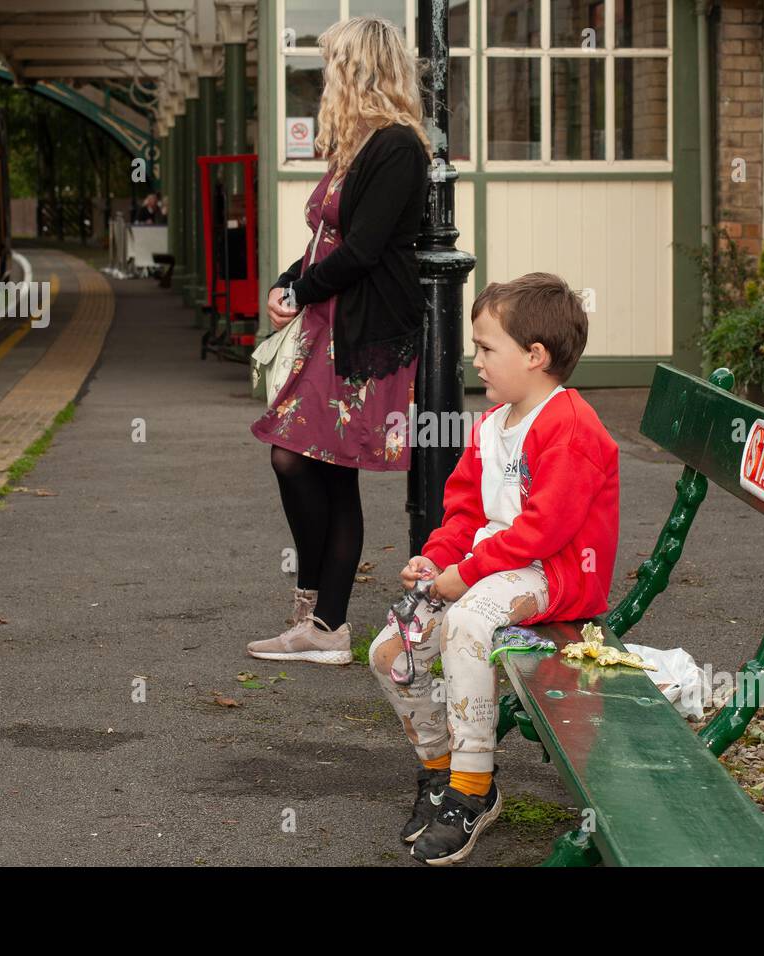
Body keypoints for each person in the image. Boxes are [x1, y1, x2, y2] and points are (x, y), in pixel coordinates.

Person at [367, 272, 620, 865]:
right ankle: (438, 772)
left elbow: (545, 530)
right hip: (496, 567)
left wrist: (468, 574)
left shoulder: (571, 428)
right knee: (391, 649)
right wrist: (438, 558)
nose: (474, 359)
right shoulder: (490, 426)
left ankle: (473, 789)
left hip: (553, 574)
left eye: (486, 348)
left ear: (535, 356)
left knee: (466, 624)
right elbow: (464, 512)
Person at [247, 16, 432, 665]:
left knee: (303, 462)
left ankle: (324, 623)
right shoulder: (358, 147)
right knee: (318, 469)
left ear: (361, 72)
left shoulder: (400, 148)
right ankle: (320, 623)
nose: (325, 79)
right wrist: (283, 282)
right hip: (332, 325)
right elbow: (325, 244)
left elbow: (362, 250)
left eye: (334, 66)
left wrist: (300, 293)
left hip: (365, 331)